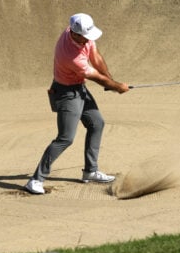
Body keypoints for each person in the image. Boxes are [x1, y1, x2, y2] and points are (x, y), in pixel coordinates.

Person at [25, 13, 129, 194]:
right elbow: (95, 76)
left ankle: (90, 171)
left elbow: (95, 57)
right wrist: (116, 87)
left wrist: (111, 80)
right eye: (85, 37)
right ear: (75, 34)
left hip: (80, 89)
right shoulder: (71, 56)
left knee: (97, 123)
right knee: (65, 138)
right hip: (66, 93)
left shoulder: (77, 33)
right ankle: (36, 180)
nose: (88, 40)